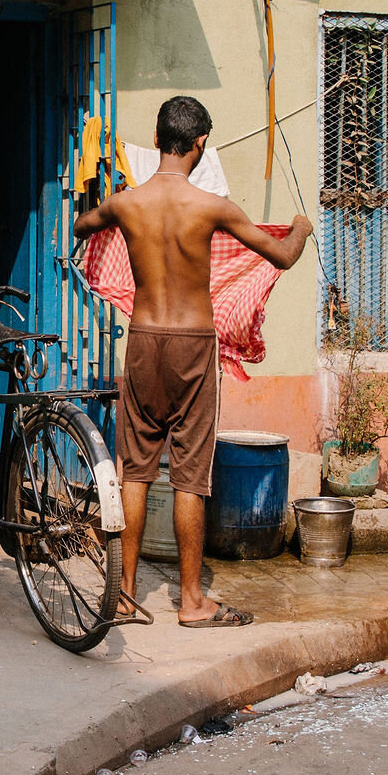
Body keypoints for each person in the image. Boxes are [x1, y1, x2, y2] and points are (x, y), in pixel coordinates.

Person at [72, 95, 313, 627]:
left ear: (157, 141)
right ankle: (192, 602)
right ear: (200, 144)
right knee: (189, 477)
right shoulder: (211, 208)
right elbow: (284, 256)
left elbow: (80, 228)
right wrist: (299, 225)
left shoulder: (126, 204)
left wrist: (103, 203)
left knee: (135, 471)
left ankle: (127, 594)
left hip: (142, 343)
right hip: (192, 346)